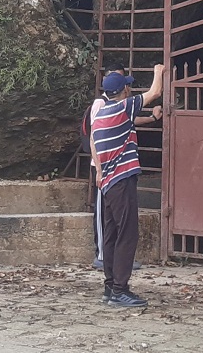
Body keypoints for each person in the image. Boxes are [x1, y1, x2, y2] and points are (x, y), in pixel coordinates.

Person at [90, 63, 166, 307]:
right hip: (122, 181)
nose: (130, 90)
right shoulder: (121, 108)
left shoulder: (102, 114)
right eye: (128, 87)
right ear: (123, 92)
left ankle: (110, 286)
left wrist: (100, 171)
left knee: (112, 233)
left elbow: (92, 140)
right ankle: (121, 289)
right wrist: (159, 72)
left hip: (109, 182)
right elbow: (154, 93)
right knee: (127, 234)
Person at [86, 63, 154, 271]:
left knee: (115, 224)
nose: (128, 88)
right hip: (107, 170)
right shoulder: (103, 105)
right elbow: (92, 138)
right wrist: (98, 169)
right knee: (112, 222)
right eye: (124, 83)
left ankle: (111, 272)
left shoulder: (120, 108)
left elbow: (129, 119)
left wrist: (152, 118)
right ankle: (105, 261)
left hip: (110, 170)